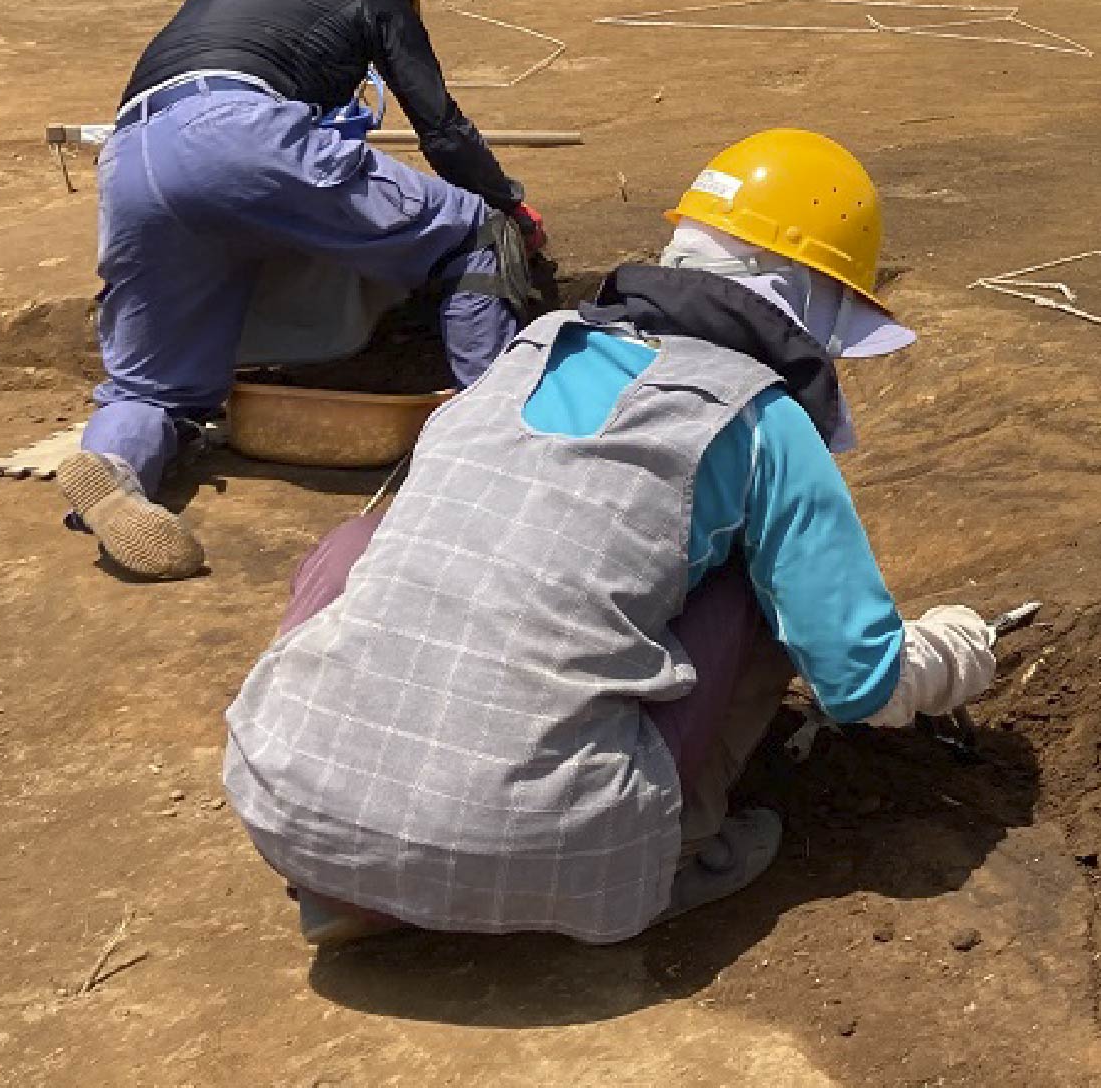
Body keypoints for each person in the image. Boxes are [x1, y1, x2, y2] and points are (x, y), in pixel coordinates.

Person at [221, 129, 1002, 948]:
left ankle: (356, 872)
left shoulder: (527, 350)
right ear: (806, 295)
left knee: (360, 543)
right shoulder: (760, 417)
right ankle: (679, 846)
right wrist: (957, 648)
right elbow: (863, 687)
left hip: (290, 807)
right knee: (755, 595)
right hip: (543, 846)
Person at [60, 0, 554, 581]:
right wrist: (509, 204)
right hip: (240, 130)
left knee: (155, 385)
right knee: (471, 234)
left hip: (132, 156)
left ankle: (114, 466)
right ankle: (499, 450)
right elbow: (442, 131)